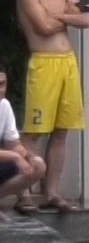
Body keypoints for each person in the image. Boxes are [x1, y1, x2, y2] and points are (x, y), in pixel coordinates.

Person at [16, 0, 89, 212]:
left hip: (67, 63)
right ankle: (23, 193)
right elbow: (43, 27)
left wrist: (60, 15)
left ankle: (52, 192)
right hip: (44, 63)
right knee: (34, 130)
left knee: (61, 131)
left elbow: (86, 21)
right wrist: (67, 15)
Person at [0, 69, 47, 214]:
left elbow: (13, 143)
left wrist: (27, 156)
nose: (0, 90)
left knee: (37, 165)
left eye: (2, 84)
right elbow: (13, 153)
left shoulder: (4, 105)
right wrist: (15, 157)